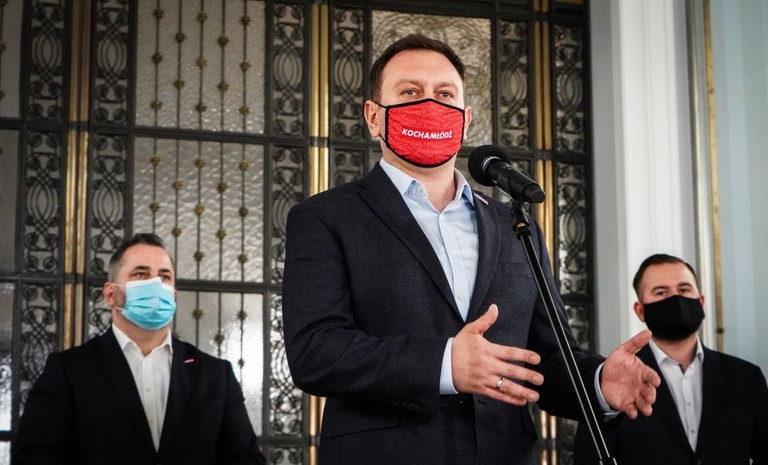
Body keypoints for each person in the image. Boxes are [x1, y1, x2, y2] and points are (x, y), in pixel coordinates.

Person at [281, 33, 660, 465]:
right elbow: (316, 351)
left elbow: (547, 361)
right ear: (373, 116)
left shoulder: (515, 225)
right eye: (410, 92)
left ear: (466, 118)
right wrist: (444, 364)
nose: (430, 105)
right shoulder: (325, 217)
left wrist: (598, 383)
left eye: (445, 94)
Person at [12, 233, 265, 465]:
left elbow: (246, 458)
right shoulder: (68, 370)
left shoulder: (215, 374)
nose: (155, 284)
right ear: (110, 294)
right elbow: (33, 455)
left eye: (164, 277)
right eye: (141, 274)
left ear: (174, 295)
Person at [574, 253, 768, 464]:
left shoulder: (746, 377)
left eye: (684, 289)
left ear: (701, 301)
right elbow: (589, 460)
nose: (675, 298)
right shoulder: (615, 380)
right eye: (661, 292)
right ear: (640, 311)